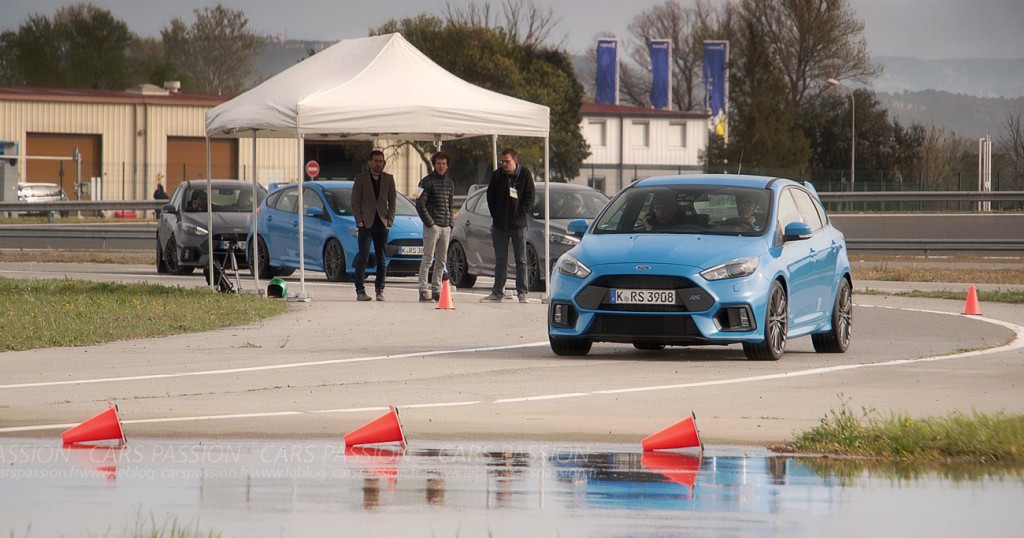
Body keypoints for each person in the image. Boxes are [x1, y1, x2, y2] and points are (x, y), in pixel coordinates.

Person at [480, 148, 535, 303]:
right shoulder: (497, 175)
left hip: (518, 226)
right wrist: (496, 216)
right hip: (499, 226)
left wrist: (519, 215)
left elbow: (530, 198)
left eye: (507, 161)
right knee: (500, 260)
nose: (504, 164)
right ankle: (497, 292)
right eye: (502, 161)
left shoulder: (525, 174)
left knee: (521, 260)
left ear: (515, 161)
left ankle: (522, 293)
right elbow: (490, 197)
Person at [352, 149, 397, 302]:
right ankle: (360, 290)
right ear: (370, 162)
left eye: (381, 161)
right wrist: (359, 221)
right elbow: (355, 202)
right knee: (363, 257)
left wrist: (389, 221)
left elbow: (393, 202)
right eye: (376, 161)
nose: (378, 164)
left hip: (382, 223)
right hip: (366, 223)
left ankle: (380, 290)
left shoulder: (389, 179)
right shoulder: (360, 179)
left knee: (381, 259)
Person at [415, 151, 455, 303]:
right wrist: (430, 223)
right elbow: (419, 203)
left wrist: (451, 222)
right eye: (438, 163)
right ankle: (423, 290)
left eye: (444, 163)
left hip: (446, 227)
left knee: (441, 261)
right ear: (434, 164)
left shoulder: (450, 183)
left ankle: (437, 290)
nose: (441, 166)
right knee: (427, 259)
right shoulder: (425, 181)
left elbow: (451, 205)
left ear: (447, 165)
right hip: (432, 227)